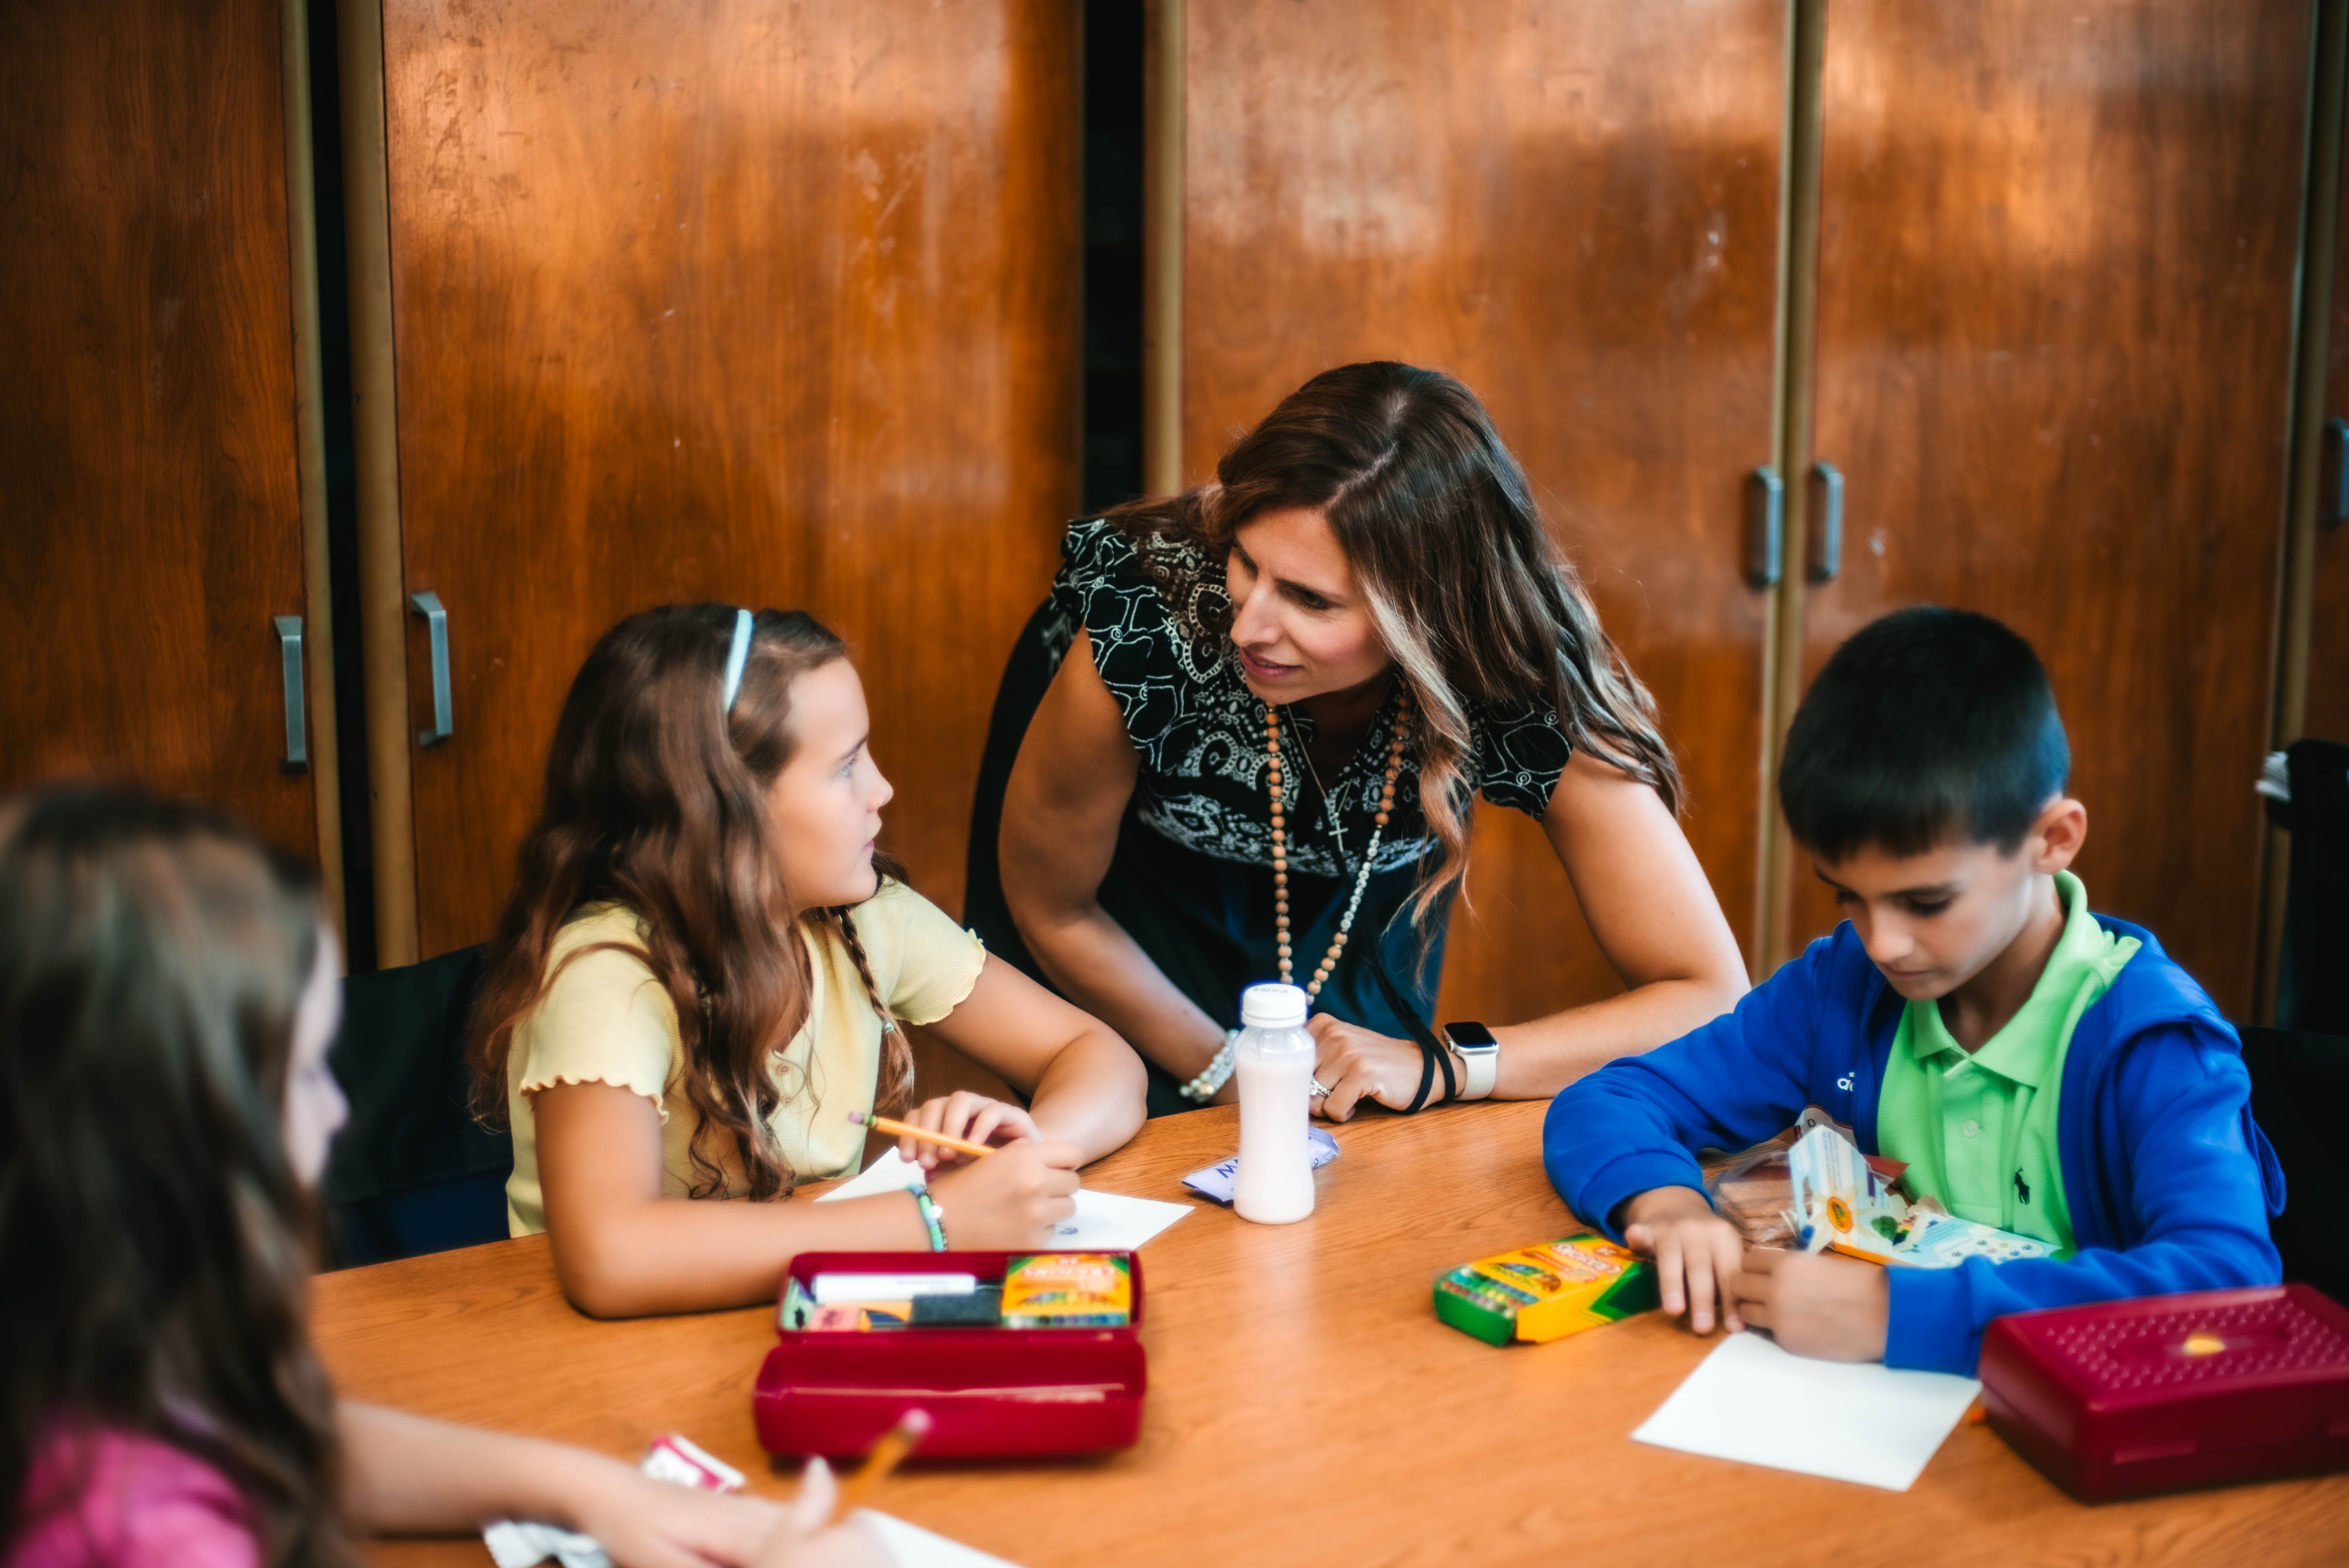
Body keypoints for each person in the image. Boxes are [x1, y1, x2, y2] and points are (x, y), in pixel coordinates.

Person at [0, 784, 879, 1568]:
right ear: (156, 1133)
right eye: (305, 1076)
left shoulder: (88, 1354)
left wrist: (589, 1488)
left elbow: (273, 1437)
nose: (340, 1115)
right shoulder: (148, 1534)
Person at [970, 361, 1749, 1120]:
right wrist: (1228, 1070)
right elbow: (1055, 910)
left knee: (1364, 1128)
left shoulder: (1516, 667)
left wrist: (1446, 1064)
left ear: (1430, 625)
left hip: (1353, 909)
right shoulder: (1148, 619)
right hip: (1129, 926)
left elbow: (1708, 995)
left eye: (1312, 600)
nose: (1249, 626)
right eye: (1246, 561)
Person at [1543, 608, 2286, 1374]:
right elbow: (1610, 1100)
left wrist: (1891, 1314)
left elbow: (2229, 1292)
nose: (1882, 942)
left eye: (1926, 903)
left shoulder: (2154, 1045)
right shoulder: (1842, 988)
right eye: (1849, 898)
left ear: (2052, 840)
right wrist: (1666, 1207)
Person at [468, 605, 1148, 1318]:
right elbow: (611, 1258)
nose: (881, 790)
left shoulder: (861, 917)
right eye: (847, 764)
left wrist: (1023, 1156)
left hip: (793, 1321)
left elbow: (1097, 1055)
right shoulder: (606, 972)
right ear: (725, 809)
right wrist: (935, 1222)